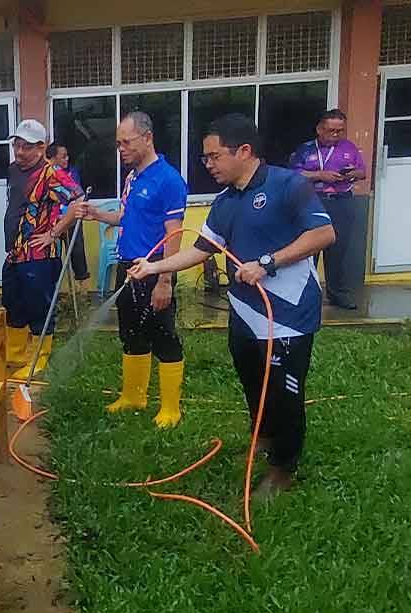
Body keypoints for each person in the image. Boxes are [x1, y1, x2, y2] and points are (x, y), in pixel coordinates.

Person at [130, 113, 336, 498]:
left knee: (284, 392)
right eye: (206, 158)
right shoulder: (224, 202)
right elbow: (200, 248)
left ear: (244, 151)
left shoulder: (288, 185)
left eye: (213, 156)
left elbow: (324, 233)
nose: (208, 164)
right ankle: (264, 435)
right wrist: (155, 266)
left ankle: (283, 468)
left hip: (287, 314)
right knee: (252, 381)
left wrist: (269, 262)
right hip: (244, 313)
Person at [75, 112, 187, 427]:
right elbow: (126, 217)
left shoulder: (168, 179)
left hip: (154, 270)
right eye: (118, 143)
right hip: (129, 268)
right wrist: (96, 214)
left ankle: (170, 408)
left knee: (163, 335)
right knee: (131, 334)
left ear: (147, 138)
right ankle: (134, 396)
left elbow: (173, 233)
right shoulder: (133, 177)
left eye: (126, 142)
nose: (121, 149)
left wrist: (165, 279)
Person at [2, 120, 82, 377]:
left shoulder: (51, 173)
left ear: (41, 147)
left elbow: (78, 200)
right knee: (13, 304)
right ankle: (15, 355)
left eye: (26, 147)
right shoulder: (14, 170)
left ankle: (39, 358)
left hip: (39, 254)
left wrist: (54, 233)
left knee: (39, 307)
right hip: (15, 253)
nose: (20, 152)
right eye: (17, 145)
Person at [289, 109, 366, 310]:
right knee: (309, 249)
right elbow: (293, 174)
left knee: (339, 249)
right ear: (319, 129)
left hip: (341, 201)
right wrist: (320, 175)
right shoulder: (305, 149)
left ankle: (338, 294)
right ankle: (306, 294)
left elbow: (362, 171)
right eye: (331, 130)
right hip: (312, 202)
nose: (335, 135)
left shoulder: (349, 147)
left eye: (340, 131)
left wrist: (351, 175)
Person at [46, 141, 90, 289]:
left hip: (69, 219)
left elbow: (79, 195)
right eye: (63, 156)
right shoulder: (45, 172)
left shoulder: (68, 173)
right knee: (53, 258)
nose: (66, 159)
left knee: (77, 252)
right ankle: (53, 292)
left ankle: (82, 291)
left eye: (67, 156)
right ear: (52, 157)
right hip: (51, 224)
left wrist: (70, 211)